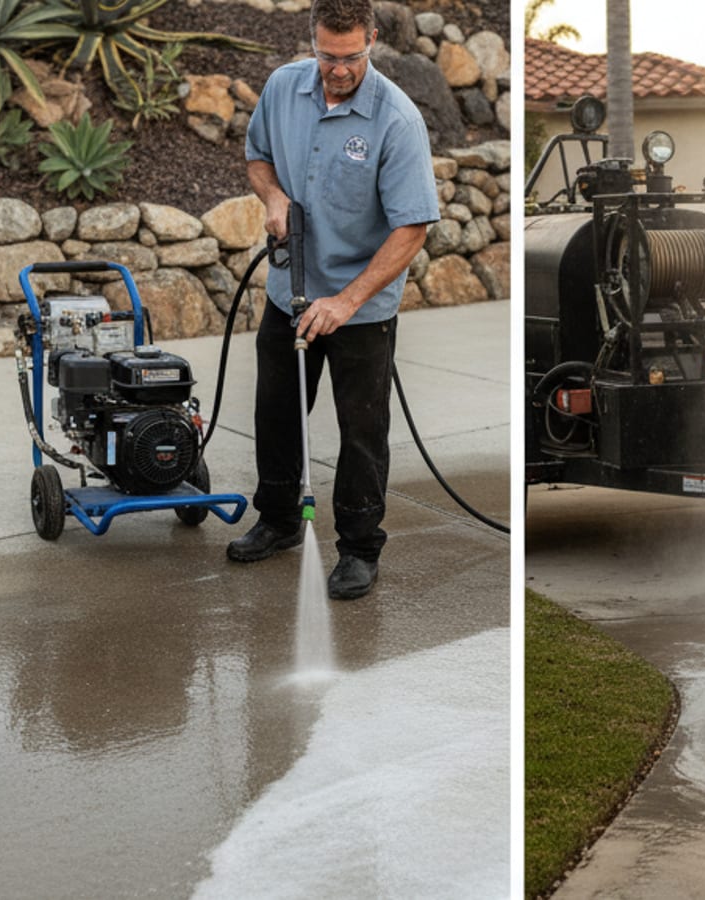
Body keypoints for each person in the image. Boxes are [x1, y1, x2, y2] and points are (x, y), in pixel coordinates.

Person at [227, 0, 440, 600]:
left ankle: (359, 548)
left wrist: (346, 302)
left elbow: (413, 229)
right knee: (275, 411)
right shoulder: (282, 87)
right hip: (288, 291)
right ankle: (278, 519)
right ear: (312, 41)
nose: (337, 68)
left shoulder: (396, 120)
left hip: (360, 308)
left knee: (361, 431)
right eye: (326, 55)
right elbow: (258, 157)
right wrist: (271, 198)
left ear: (372, 39)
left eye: (350, 57)